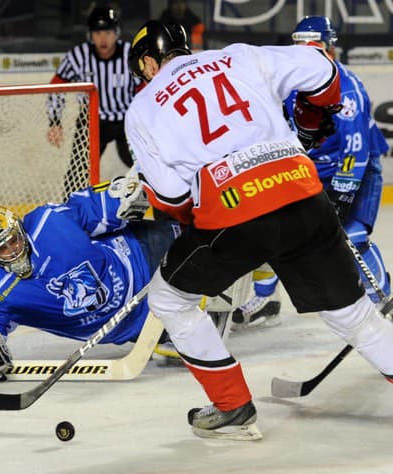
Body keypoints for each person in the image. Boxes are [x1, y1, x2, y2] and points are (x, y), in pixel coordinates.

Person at [125, 20, 393, 441]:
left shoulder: (142, 108)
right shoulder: (239, 55)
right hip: (303, 193)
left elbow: (174, 198)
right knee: (355, 317)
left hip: (235, 212)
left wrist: (202, 231)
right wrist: (311, 112)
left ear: (147, 61)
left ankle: (232, 406)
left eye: (141, 69)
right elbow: (323, 70)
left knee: (169, 298)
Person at [0, 170, 181, 384]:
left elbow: (87, 209)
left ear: (20, 229)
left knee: (209, 249)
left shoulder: (48, 222)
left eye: (14, 239)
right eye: (2, 248)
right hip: (136, 324)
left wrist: (118, 198)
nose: (13, 250)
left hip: (143, 250)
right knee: (209, 331)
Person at [233, 16, 391, 330]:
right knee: (272, 227)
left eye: (313, 45)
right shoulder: (286, 84)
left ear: (329, 48)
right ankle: (266, 298)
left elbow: (355, 150)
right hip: (308, 168)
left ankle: (382, 296)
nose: (305, 52)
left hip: (358, 167)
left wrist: (342, 195)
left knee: (352, 236)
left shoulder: (347, 89)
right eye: (300, 45)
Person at [47, 5, 143, 194]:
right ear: (90, 35)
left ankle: (163, 209)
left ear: (116, 33)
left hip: (128, 120)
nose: (103, 39)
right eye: (98, 33)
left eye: (107, 32)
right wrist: (55, 121)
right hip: (92, 121)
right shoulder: (78, 56)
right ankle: (72, 210)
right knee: (77, 173)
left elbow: (145, 88)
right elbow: (56, 87)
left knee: (147, 165)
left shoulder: (129, 54)